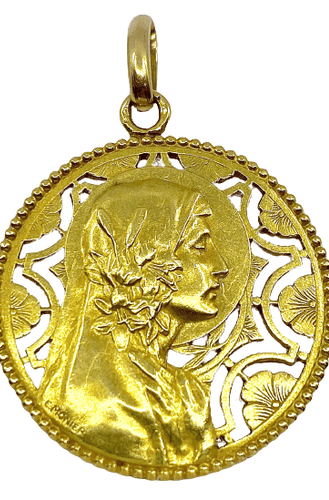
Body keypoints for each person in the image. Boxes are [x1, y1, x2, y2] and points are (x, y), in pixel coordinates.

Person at [40, 178, 228, 465]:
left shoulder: (186, 392)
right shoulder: (101, 402)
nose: (221, 267)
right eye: (200, 245)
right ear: (142, 258)